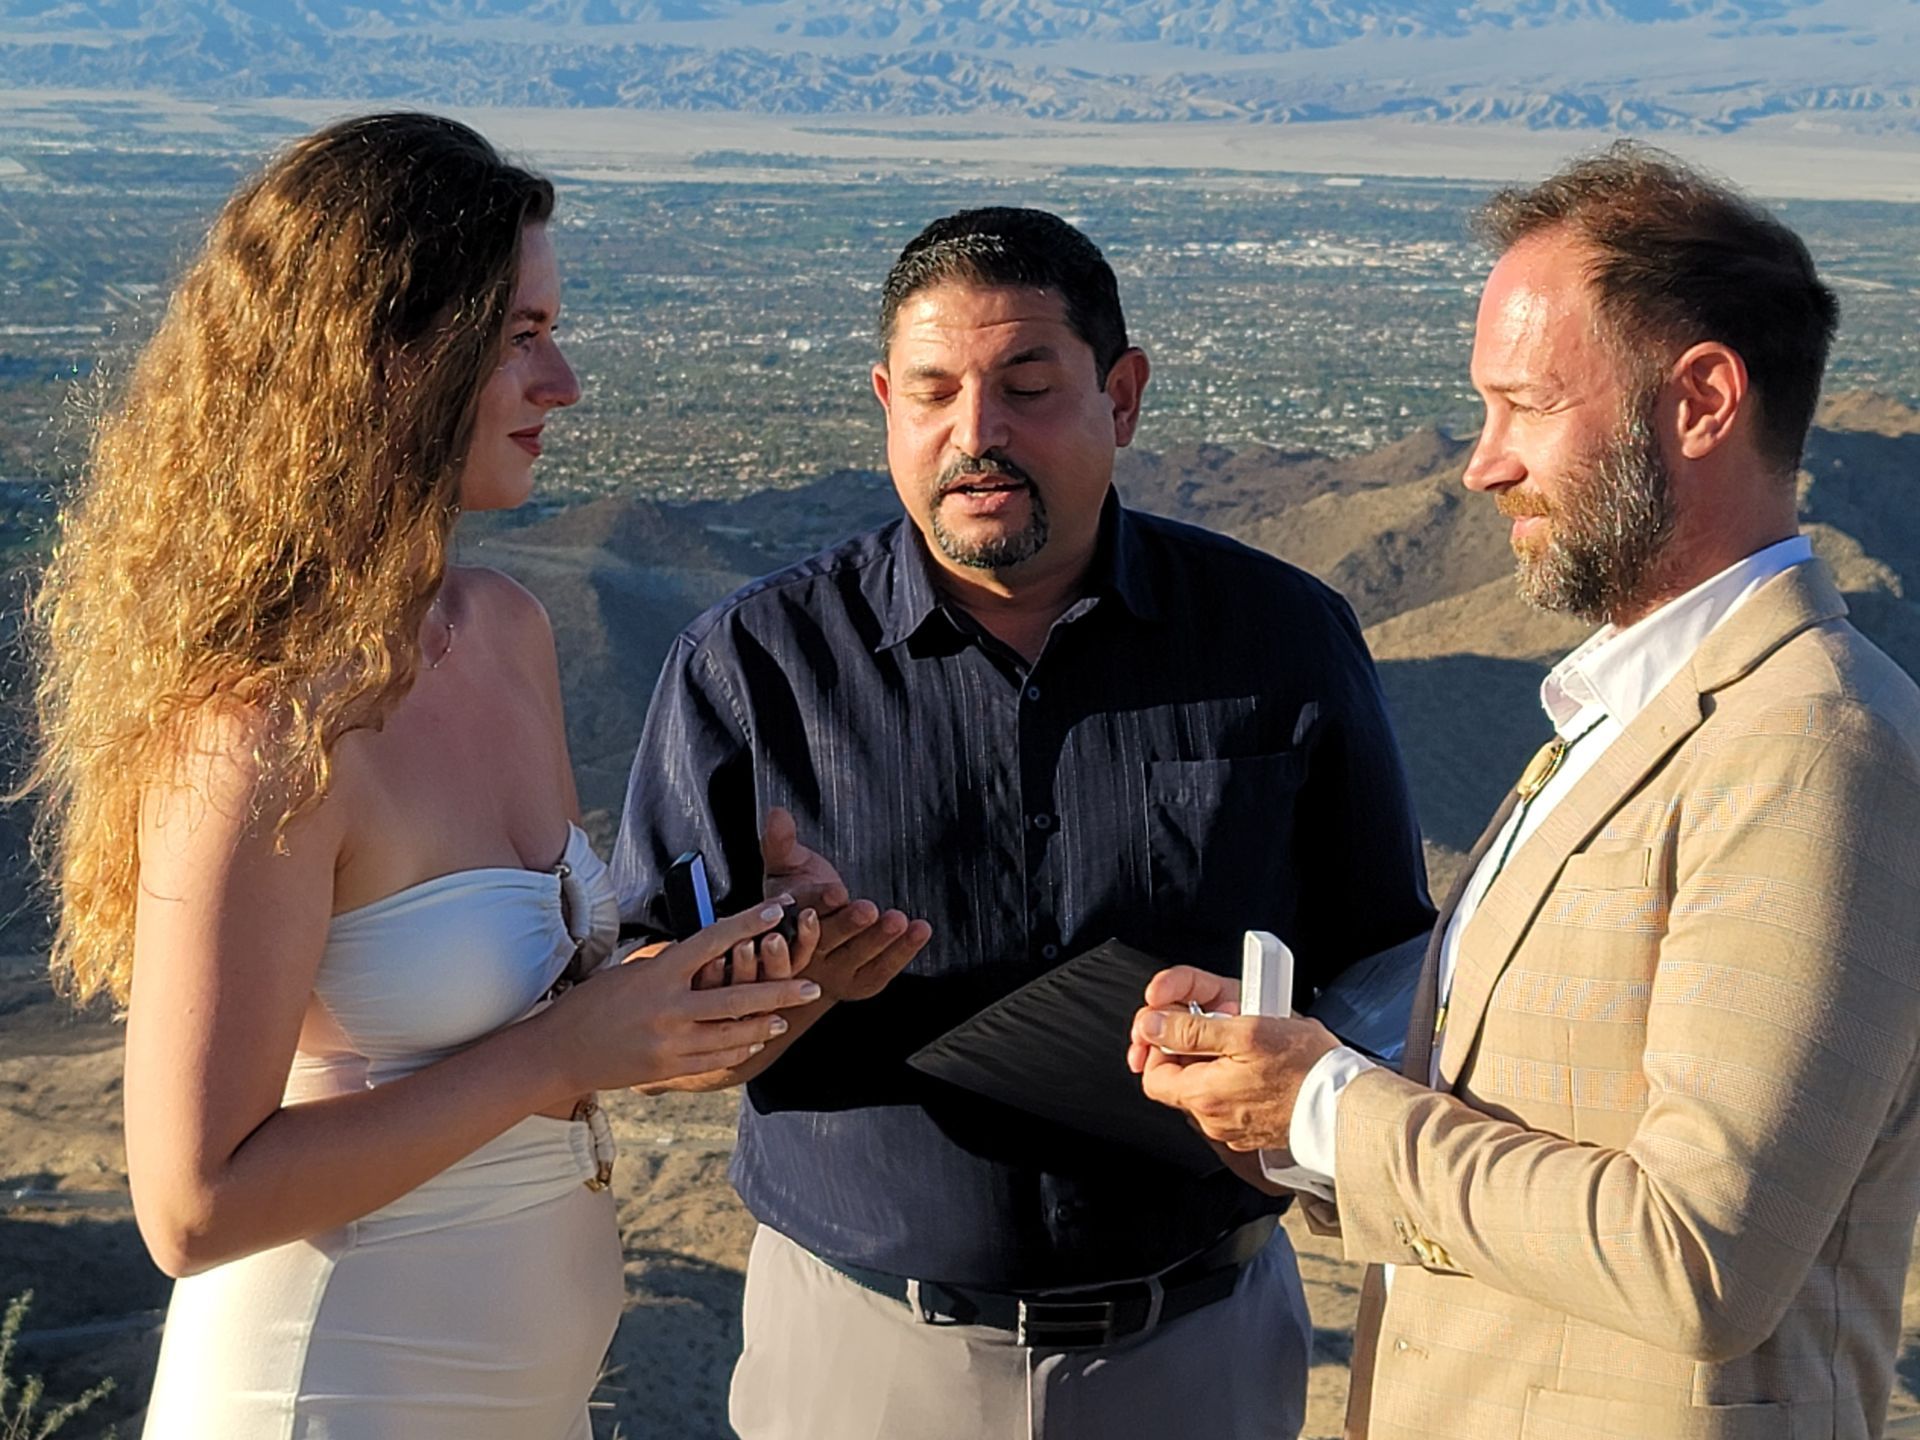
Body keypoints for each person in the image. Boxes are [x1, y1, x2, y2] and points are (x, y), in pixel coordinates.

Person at [20, 112, 856, 1439]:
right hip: (327, 1394)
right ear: (382, 360)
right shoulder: (262, 731)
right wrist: (562, 1049)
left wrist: (741, 984)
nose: (564, 380)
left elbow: (544, 1047)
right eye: (520, 336)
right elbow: (193, 1206)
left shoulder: (505, 634)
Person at [1133, 143, 1920, 1440]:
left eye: (1525, 406)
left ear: (1704, 400)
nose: (1480, 464)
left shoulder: (1816, 750)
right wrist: (1287, 1098)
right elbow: (1535, 1124)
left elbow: (1698, 1254)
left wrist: (1327, 1105)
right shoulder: (1629, 718)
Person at [613, 206, 1434, 1439]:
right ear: (887, 400)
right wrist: (782, 986)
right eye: (935, 392)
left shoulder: (1283, 639)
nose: (977, 435)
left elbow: (1388, 962)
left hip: (1196, 1347)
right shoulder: (750, 668)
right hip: (862, 1355)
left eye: (1028, 387)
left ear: (1124, 394)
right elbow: (635, 1006)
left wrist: (1301, 1077)